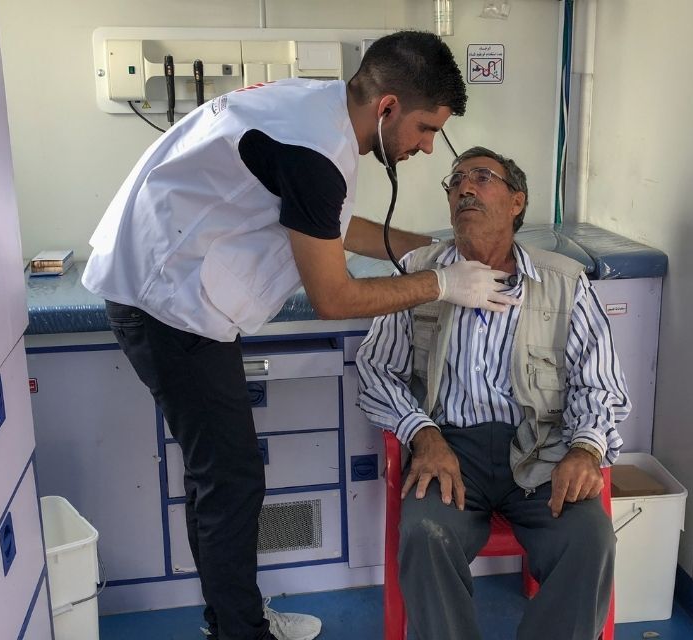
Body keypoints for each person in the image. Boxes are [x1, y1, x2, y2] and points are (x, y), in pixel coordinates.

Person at [82, 31, 521, 640]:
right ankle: (239, 630)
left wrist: (428, 251)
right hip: (166, 303)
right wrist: (441, 285)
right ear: (387, 107)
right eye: (424, 130)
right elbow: (334, 296)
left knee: (220, 477)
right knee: (231, 480)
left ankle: (234, 618)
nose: (425, 148)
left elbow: (335, 227)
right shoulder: (317, 151)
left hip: (175, 286)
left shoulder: (322, 110)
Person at [356, 147, 631, 640]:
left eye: (482, 178)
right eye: (455, 180)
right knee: (425, 534)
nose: (464, 187)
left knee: (589, 541)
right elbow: (376, 369)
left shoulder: (563, 282)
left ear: (516, 202)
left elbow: (600, 383)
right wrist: (422, 433)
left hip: (543, 447)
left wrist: (586, 447)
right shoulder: (421, 272)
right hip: (450, 448)